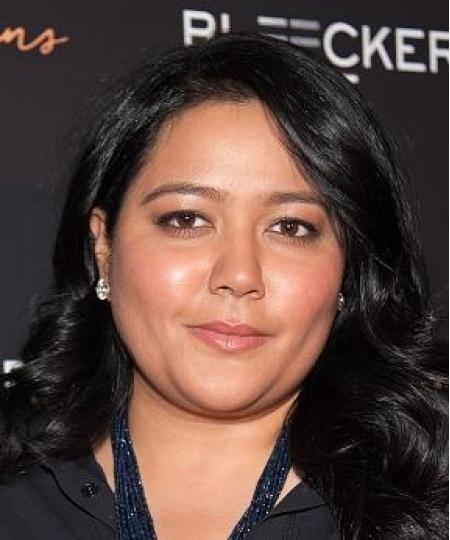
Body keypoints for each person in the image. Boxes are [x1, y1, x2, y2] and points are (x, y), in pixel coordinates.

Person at [0, 31, 447, 540]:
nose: (238, 275)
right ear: (104, 247)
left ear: (350, 267)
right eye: (186, 219)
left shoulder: (432, 497)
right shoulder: (16, 495)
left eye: (290, 227)